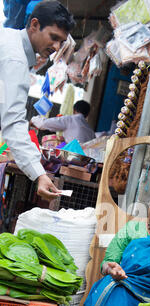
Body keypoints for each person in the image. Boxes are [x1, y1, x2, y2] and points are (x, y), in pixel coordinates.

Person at [0, 0, 75, 201]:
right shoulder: (15, 59)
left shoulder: (7, 38)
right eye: (53, 37)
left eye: (61, 42)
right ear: (34, 25)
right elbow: (13, 123)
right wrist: (39, 174)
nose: (56, 46)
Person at [31, 100, 96, 144]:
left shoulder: (70, 119)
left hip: (71, 157)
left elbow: (44, 124)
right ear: (87, 115)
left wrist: (33, 120)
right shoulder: (91, 131)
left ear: (73, 110)